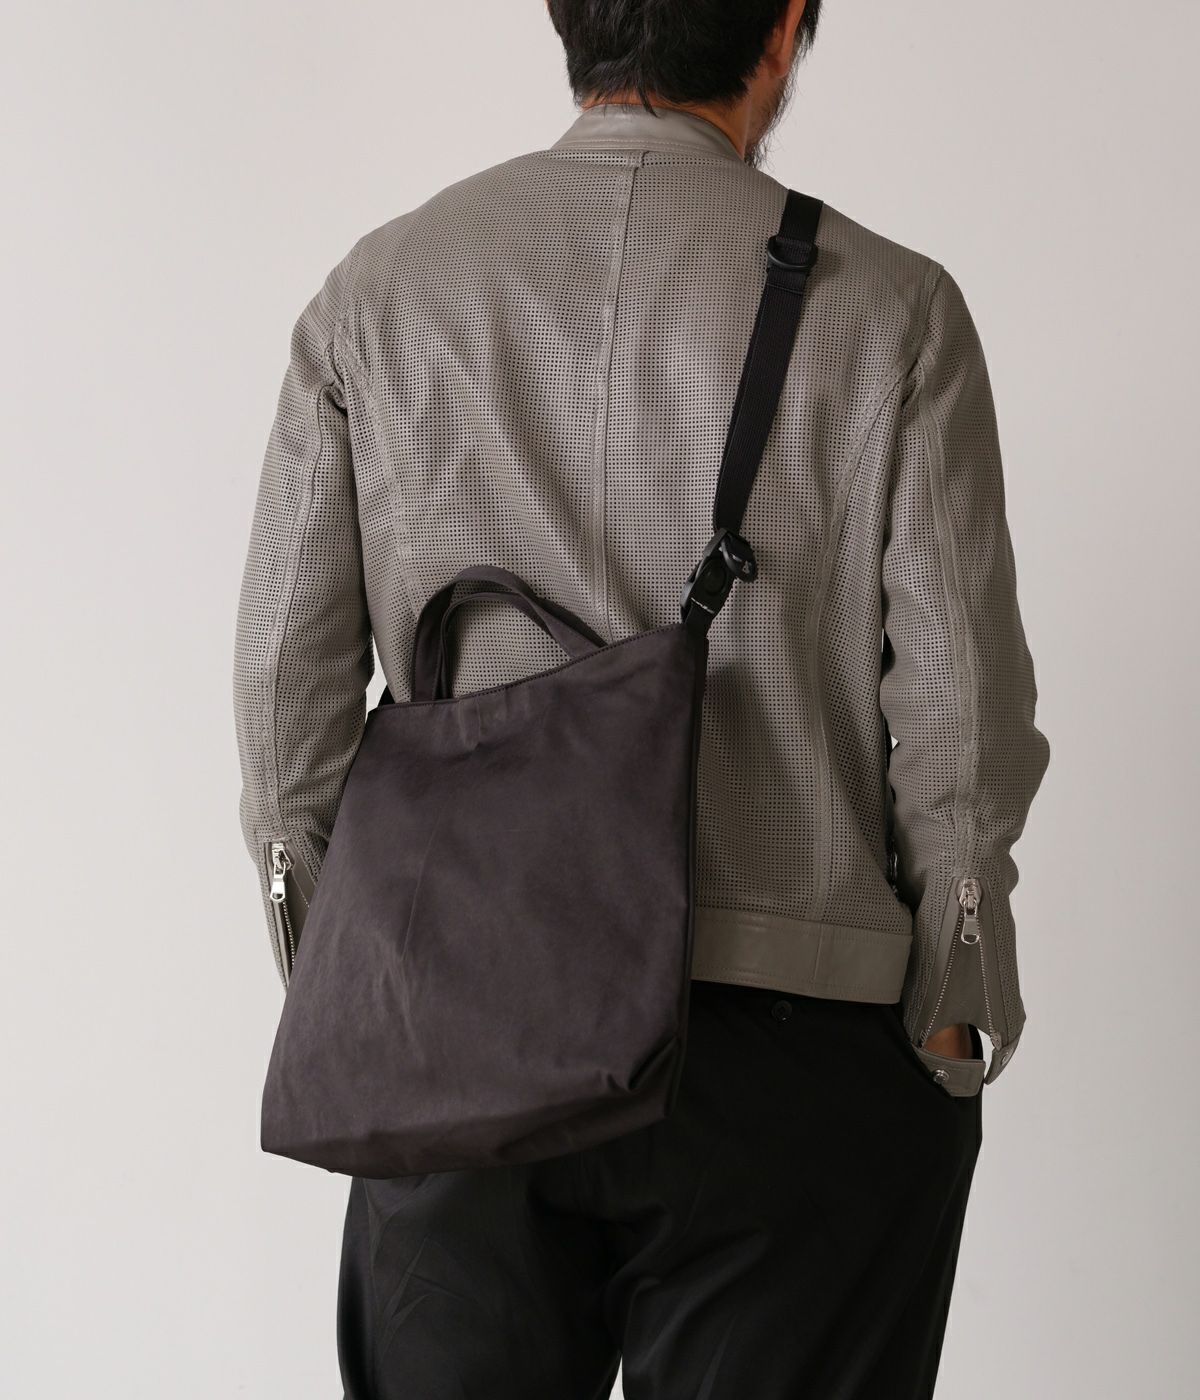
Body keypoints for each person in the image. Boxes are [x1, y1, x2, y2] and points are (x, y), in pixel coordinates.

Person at [232, 1, 1050, 1394]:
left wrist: (357, 987)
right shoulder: (893, 308)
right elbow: (961, 714)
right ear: (782, 29)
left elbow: (281, 695)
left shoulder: (377, 298)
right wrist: (952, 999)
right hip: (793, 1051)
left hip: (465, 1031)